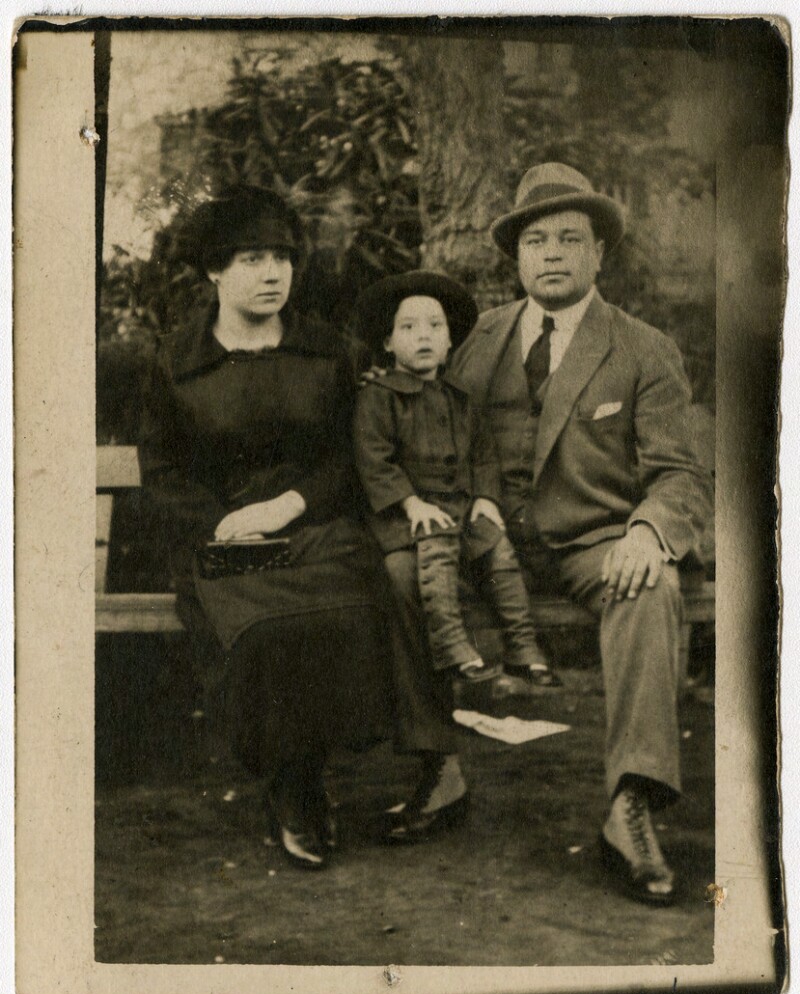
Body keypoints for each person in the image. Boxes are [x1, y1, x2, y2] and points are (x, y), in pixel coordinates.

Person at [446, 162, 713, 904]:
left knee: (651, 587)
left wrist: (648, 532)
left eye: (570, 238)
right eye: (536, 241)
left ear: (599, 253)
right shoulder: (477, 340)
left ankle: (632, 804)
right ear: (517, 257)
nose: (552, 254)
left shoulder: (642, 348)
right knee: (401, 570)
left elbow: (680, 474)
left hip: (593, 546)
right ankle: (433, 770)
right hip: (487, 546)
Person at [137, 186, 392, 872]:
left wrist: (288, 506)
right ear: (214, 270)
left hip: (313, 529)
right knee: (263, 632)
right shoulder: (177, 361)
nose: (273, 273)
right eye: (251, 259)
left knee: (344, 611)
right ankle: (292, 785)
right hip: (220, 544)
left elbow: (351, 457)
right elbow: (162, 470)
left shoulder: (330, 353)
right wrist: (222, 523)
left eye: (281, 257)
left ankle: (311, 770)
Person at [353, 271, 553, 696]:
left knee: (498, 549)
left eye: (435, 326)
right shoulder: (379, 397)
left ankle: (522, 647)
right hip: (405, 518)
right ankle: (453, 646)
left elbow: (483, 454)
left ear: (449, 343)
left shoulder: (460, 398)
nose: (423, 336)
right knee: (436, 546)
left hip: (461, 510)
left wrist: (485, 499)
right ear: (388, 343)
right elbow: (375, 460)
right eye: (408, 328)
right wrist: (411, 503)